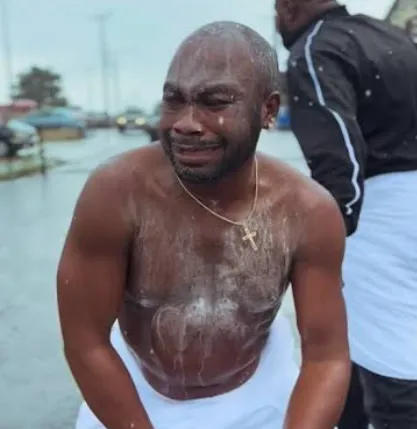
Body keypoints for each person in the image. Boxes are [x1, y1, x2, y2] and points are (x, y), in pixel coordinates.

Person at [57, 21, 350, 429]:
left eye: (215, 102)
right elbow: (86, 342)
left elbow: (326, 356)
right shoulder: (116, 194)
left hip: (261, 393)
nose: (186, 123)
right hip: (131, 396)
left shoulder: (307, 210)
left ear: (268, 110)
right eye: (174, 100)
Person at [275, 1, 417, 428]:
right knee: (353, 353)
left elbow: (340, 162)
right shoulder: (393, 38)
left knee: (397, 375)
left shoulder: (315, 50)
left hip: (381, 217)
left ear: (287, 7)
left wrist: (324, 245)